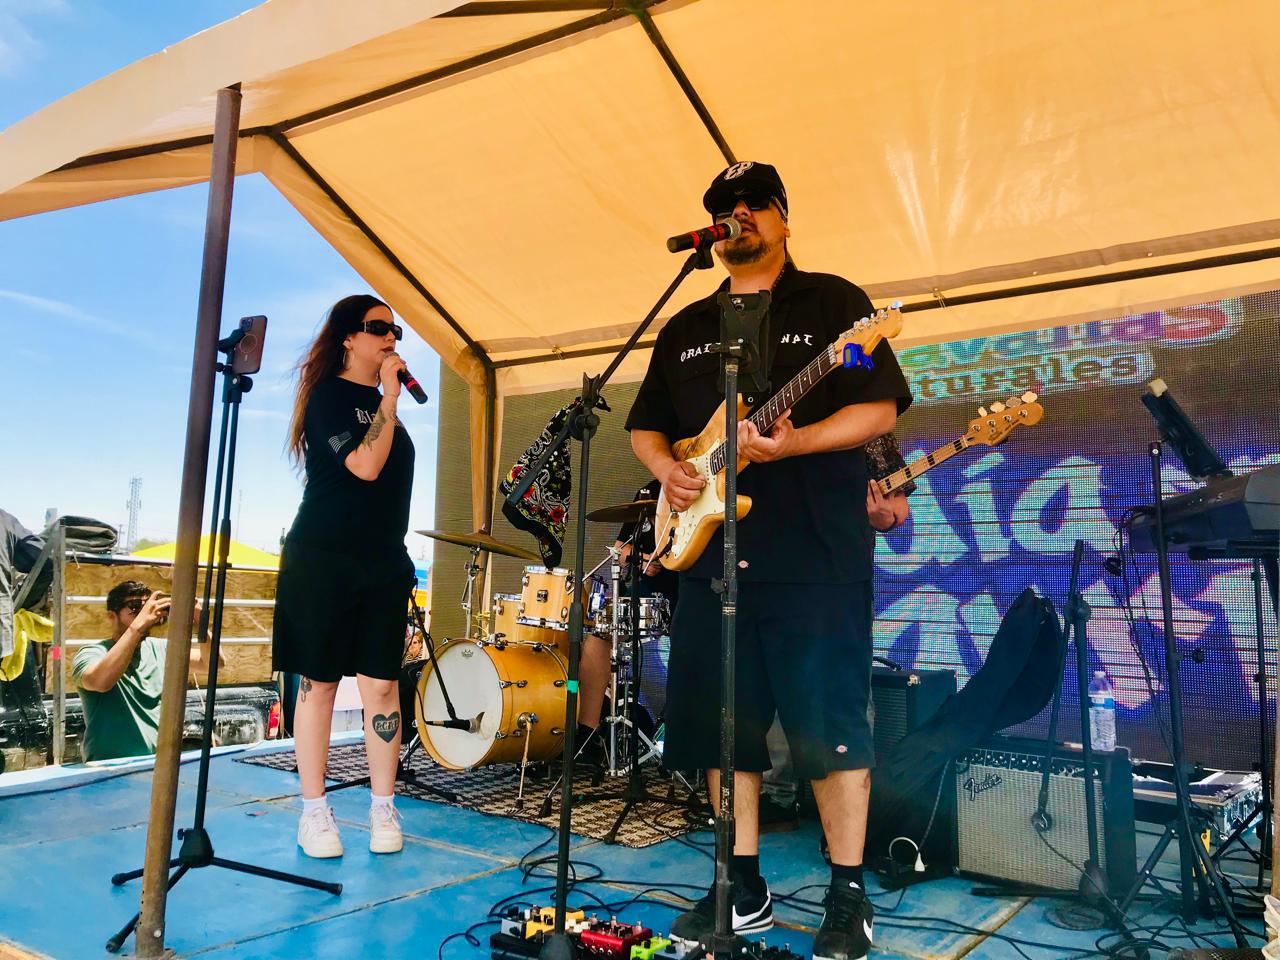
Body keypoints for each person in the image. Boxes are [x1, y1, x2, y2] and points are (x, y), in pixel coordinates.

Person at [625, 162, 913, 960]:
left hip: (814, 552)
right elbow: (647, 424)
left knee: (830, 728)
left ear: (784, 217)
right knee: (727, 730)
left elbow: (877, 407)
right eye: (724, 207)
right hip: (712, 557)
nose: (738, 214)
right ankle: (739, 885)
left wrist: (798, 442)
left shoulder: (835, 306)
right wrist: (670, 470)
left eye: (753, 203)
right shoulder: (685, 325)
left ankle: (847, 894)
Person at [273, 294, 417, 859]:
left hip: (382, 561)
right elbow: (364, 465)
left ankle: (383, 805)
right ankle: (314, 811)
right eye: (379, 327)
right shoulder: (328, 397)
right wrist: (390, 398)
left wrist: (388, 400)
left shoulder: (386, 406)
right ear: (349, 338)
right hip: (323, 558)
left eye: (396, 330)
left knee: (382, 685)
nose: (391, 338)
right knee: (321, 683)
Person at [760, 432, 916, 828]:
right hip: (774, 573)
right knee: (774, 686)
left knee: (844, 692)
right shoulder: (770, 427)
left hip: (839, 578)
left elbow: (898, 511)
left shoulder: (871, 435)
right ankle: (776, 795)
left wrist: (883, 516)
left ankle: (844, 821)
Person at [73, 580, 215, 762]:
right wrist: (139, 626)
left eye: (146, 606)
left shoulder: (160, 648)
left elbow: (212, 663)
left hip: (155, 764)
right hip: (109, 767)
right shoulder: (94, 652)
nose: (144, 613)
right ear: (111, 616)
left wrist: (200, 623)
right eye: (134, 607)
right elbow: (99, 682)